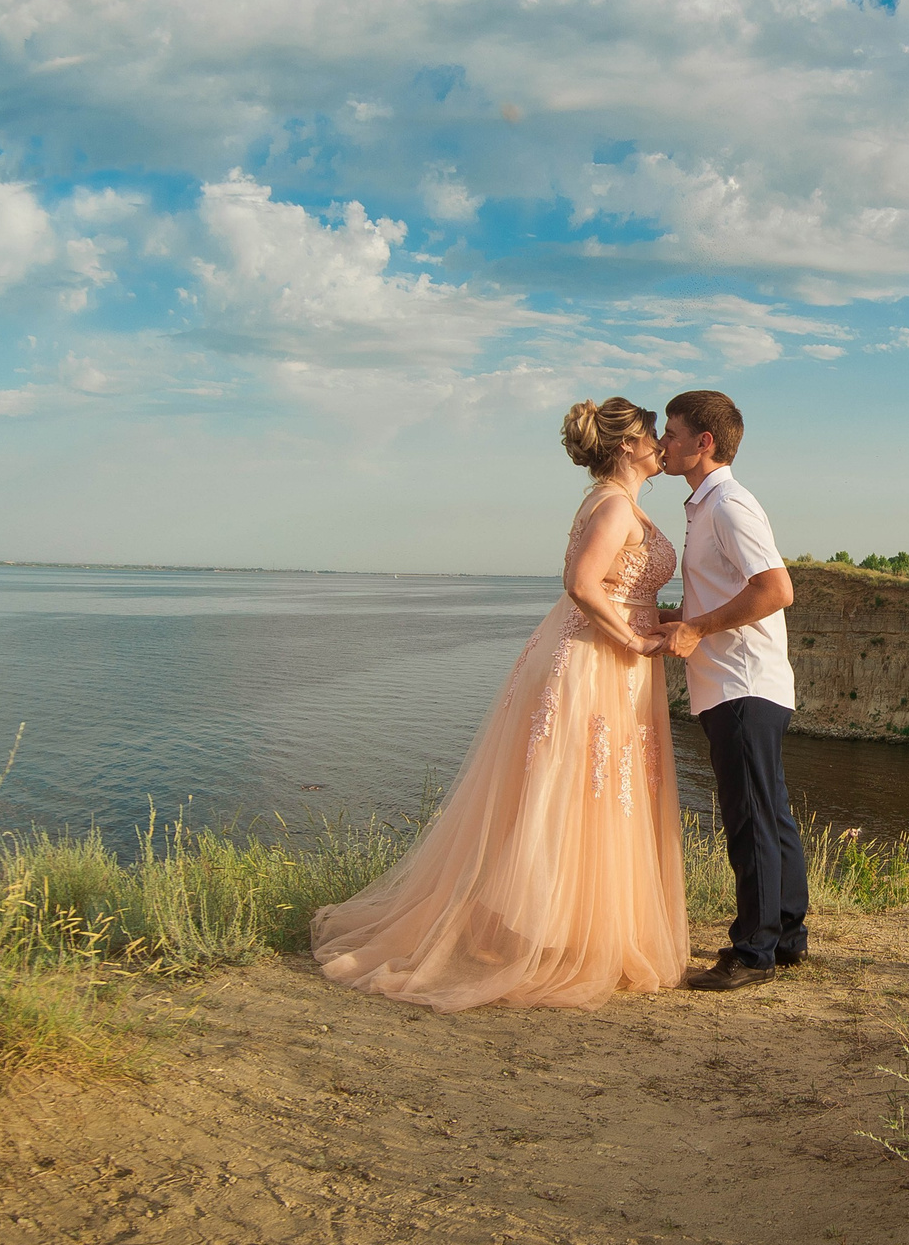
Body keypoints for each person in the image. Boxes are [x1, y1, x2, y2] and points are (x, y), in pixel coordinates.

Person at [308, 399, 689, 1010]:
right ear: (626, 445)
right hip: (593, 661)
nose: (661, 445)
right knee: (571, 791)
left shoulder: (615, 502)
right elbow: (583, 586)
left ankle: (569, 928)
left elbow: (619, 587)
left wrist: (656, 618)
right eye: (652, 435)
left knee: (587, 791)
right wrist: (636, 638)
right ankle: (548, 938)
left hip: (602, 658)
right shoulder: (615, 504)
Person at [654, 390, 805, 992]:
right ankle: (786, 935)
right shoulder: (709, 506)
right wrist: (680, 618)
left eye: (670, 432)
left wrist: (696, 628)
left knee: (750, 819)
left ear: (703, 442)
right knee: (771, 813)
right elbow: (729, 588)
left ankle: (753, 951)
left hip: (740, 685)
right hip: (744, 683)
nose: (663, 443)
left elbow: (775, 589)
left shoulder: (729, 506)